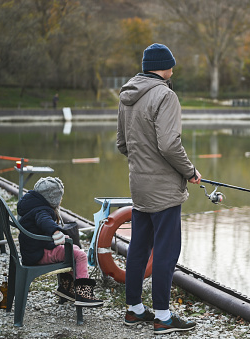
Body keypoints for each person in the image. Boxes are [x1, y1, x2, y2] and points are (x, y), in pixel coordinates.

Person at [117, 43, 202, 335]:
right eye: (171, 66)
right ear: (163, 67)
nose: (173, 70)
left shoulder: (127, 95)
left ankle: (134, 310)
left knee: (138, 248)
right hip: (164, 191)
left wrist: (143, 165)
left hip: (139, 187)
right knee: (166, 252)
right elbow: (168, 144)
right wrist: (189, 171)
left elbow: (122, 145)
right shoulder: (166, 95)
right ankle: (163, 317)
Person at [17, 176, 102, 307]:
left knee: (73, 250)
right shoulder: (42, 210)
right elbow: (44, 221)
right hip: (41, 253)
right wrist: (56, 232)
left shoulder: (31, 205)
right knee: (80, 255)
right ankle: (83, 293)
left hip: (32, 251)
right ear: (53, 198)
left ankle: (67, 288)